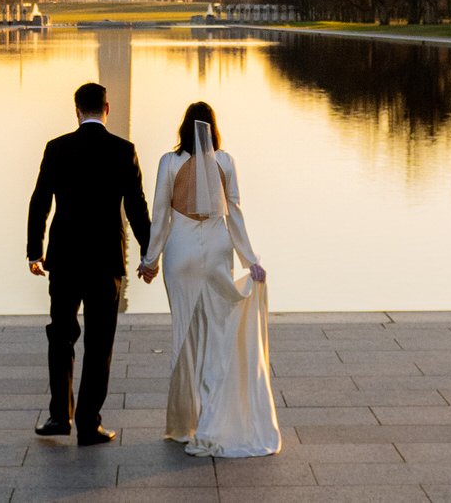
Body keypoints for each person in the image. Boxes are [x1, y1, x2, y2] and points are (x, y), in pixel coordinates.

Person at [137, 101, 280, 457]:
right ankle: (212, 419)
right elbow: (235, 214)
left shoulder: (169, 163)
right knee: (215, 337)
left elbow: (160, 215)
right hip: (217, 250)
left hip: (181, 251)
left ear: (183, 127)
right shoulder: (225, 162)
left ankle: (185, 424)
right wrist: (251, 260)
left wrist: (149, 260)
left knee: (183, 334)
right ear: (213, 127)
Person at [26, 82, 151, 446]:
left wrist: (35, 251)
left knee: (61, 337)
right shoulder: (123, 150)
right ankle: (88, 422)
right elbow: (137, 208)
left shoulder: (57, 148)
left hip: (64, 258)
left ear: (77, 110)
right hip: (105, 260)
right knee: (99, 344)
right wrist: (150, 253)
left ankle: (58, 416)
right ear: (107, 108)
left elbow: (39, 202)